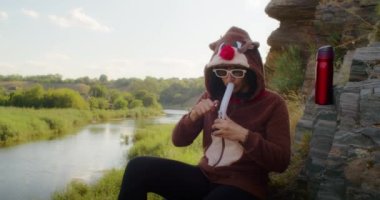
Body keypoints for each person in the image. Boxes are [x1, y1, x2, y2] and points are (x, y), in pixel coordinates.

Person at [118, 26, 290, 200]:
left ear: (250, 71)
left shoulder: (272, 103)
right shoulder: (210, 97)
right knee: (137, 168)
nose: (229, 79)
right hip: (205, 176)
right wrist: (192, 117)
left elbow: (281, 161)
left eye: (237, 72)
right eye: (222, 72)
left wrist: (244, 135)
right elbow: (178, 141)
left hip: (245, 185)